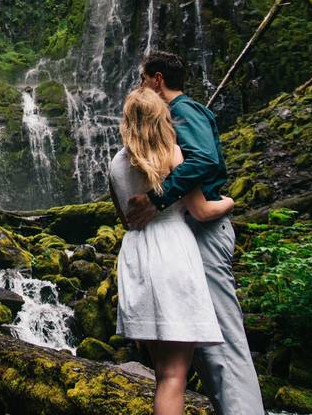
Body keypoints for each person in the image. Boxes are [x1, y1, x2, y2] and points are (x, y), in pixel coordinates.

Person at [125, 50, 265, 415]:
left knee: (222, 335)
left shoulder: (183, 111)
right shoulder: (170, 126)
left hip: (203, 229)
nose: (141, 88)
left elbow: (205, 160)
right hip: (188, 231)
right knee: (201, 338)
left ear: (157, 80)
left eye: (143, 80)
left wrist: (157, 198)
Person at [109, 87, 234, 415]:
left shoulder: (116, 164)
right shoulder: (173, 154)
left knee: (163, 374)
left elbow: (127, 220)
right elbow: (202, 211)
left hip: (136, 259)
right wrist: (230, 202)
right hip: (172, 255)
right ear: (161, 116)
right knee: (175, 377)